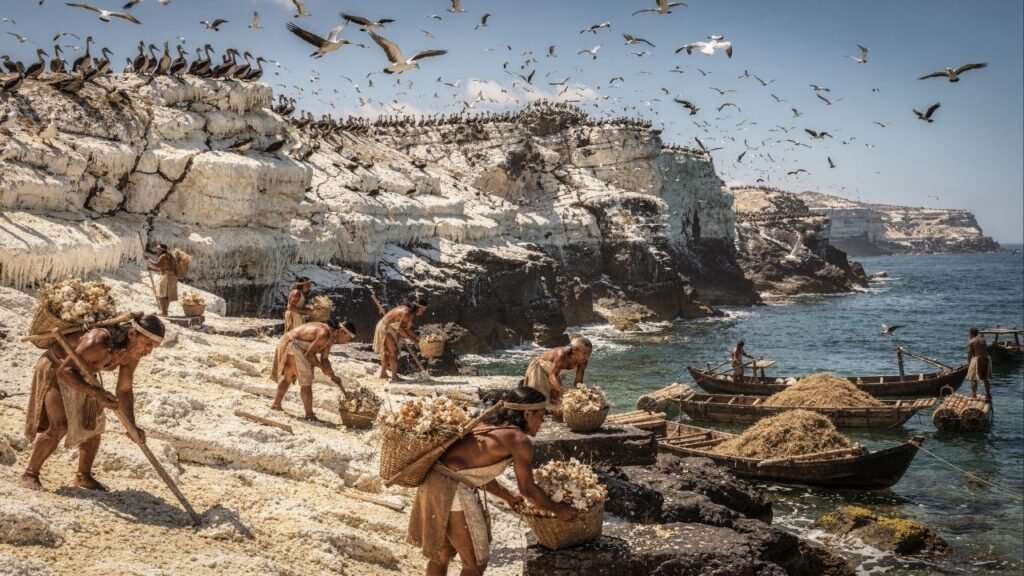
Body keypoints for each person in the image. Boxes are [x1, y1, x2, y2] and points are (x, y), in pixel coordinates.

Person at [407, 387, 578, 576]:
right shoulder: (518, 439)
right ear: (527, 413)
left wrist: (508, 496)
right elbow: (528, 489)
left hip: (433, 483)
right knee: (475, 563)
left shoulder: (485, 425)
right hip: (451, 489)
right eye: (541, 415)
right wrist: (557, 509)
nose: (543, 422)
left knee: (443, 553)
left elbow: (471, 473)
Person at [20, 314, 165, 492]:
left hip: (84, 376)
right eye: (148, 344)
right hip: (57, 367)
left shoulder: (132, 355)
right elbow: (66, 371)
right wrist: (97, 393)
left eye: (153, 347)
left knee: (93, 425)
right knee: (59, 425)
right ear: (133, 334)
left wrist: (132, 426)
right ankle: (30, 474)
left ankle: (84, 476)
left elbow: (124, 389)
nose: (149, 351)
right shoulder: (97, 341)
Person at [271, 319, 357, 421]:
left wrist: (332, 375)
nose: (348, 341)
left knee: (288, 376)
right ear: (342, 332)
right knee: (306, 381)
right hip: (293, 344)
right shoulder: (325, 334)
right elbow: (309, 355)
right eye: (348, 337)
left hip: (290, 343)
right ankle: (309, 415)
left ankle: (276, 404)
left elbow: (324, 359)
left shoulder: (330, 339)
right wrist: (322, 368)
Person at [522, 336, 592, 416]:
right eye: (585, 353)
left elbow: (578, 381)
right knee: (539, 402)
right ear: (575, 350)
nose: (587, 357)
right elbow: (552, 376)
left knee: (557, 403)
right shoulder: (561, 355)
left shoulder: (583, 361)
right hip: (540, 368)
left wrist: (581, 394)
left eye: (589, 353)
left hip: (553, 372)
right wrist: (564, 391)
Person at [373, 297, 428, 382]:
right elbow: (401, 329)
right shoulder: (406, 312)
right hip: (386, 328)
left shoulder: (409, 312)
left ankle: (382, 374)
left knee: (387, 352)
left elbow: (406, 329)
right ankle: (394, 377)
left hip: (386, 327)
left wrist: (417, 338)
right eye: (422, 310)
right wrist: (413, 340)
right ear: (418, 308)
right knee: (393, 352)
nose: (423, 312)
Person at [145, 244, 177, 316]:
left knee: (161, 295)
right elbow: (164, 268)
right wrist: (152, 269)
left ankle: (164, 312)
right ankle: (165, 312)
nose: (156, 250)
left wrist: (148, 259)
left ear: (162, 249)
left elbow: (157, 265)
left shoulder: (163, 256)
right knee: (167, 296)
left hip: (166, 276)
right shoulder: (169, 256)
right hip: (172, 276)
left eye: (158, 248)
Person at [967, 327, 992, 402]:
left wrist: (969, 363)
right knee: (985, 379)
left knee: (973, 378)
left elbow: (970, 354)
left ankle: (974, 395)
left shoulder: (971, 341)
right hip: (986, 359)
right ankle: (988, 395)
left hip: (977, 359)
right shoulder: (983, 339)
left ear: (971, 333)